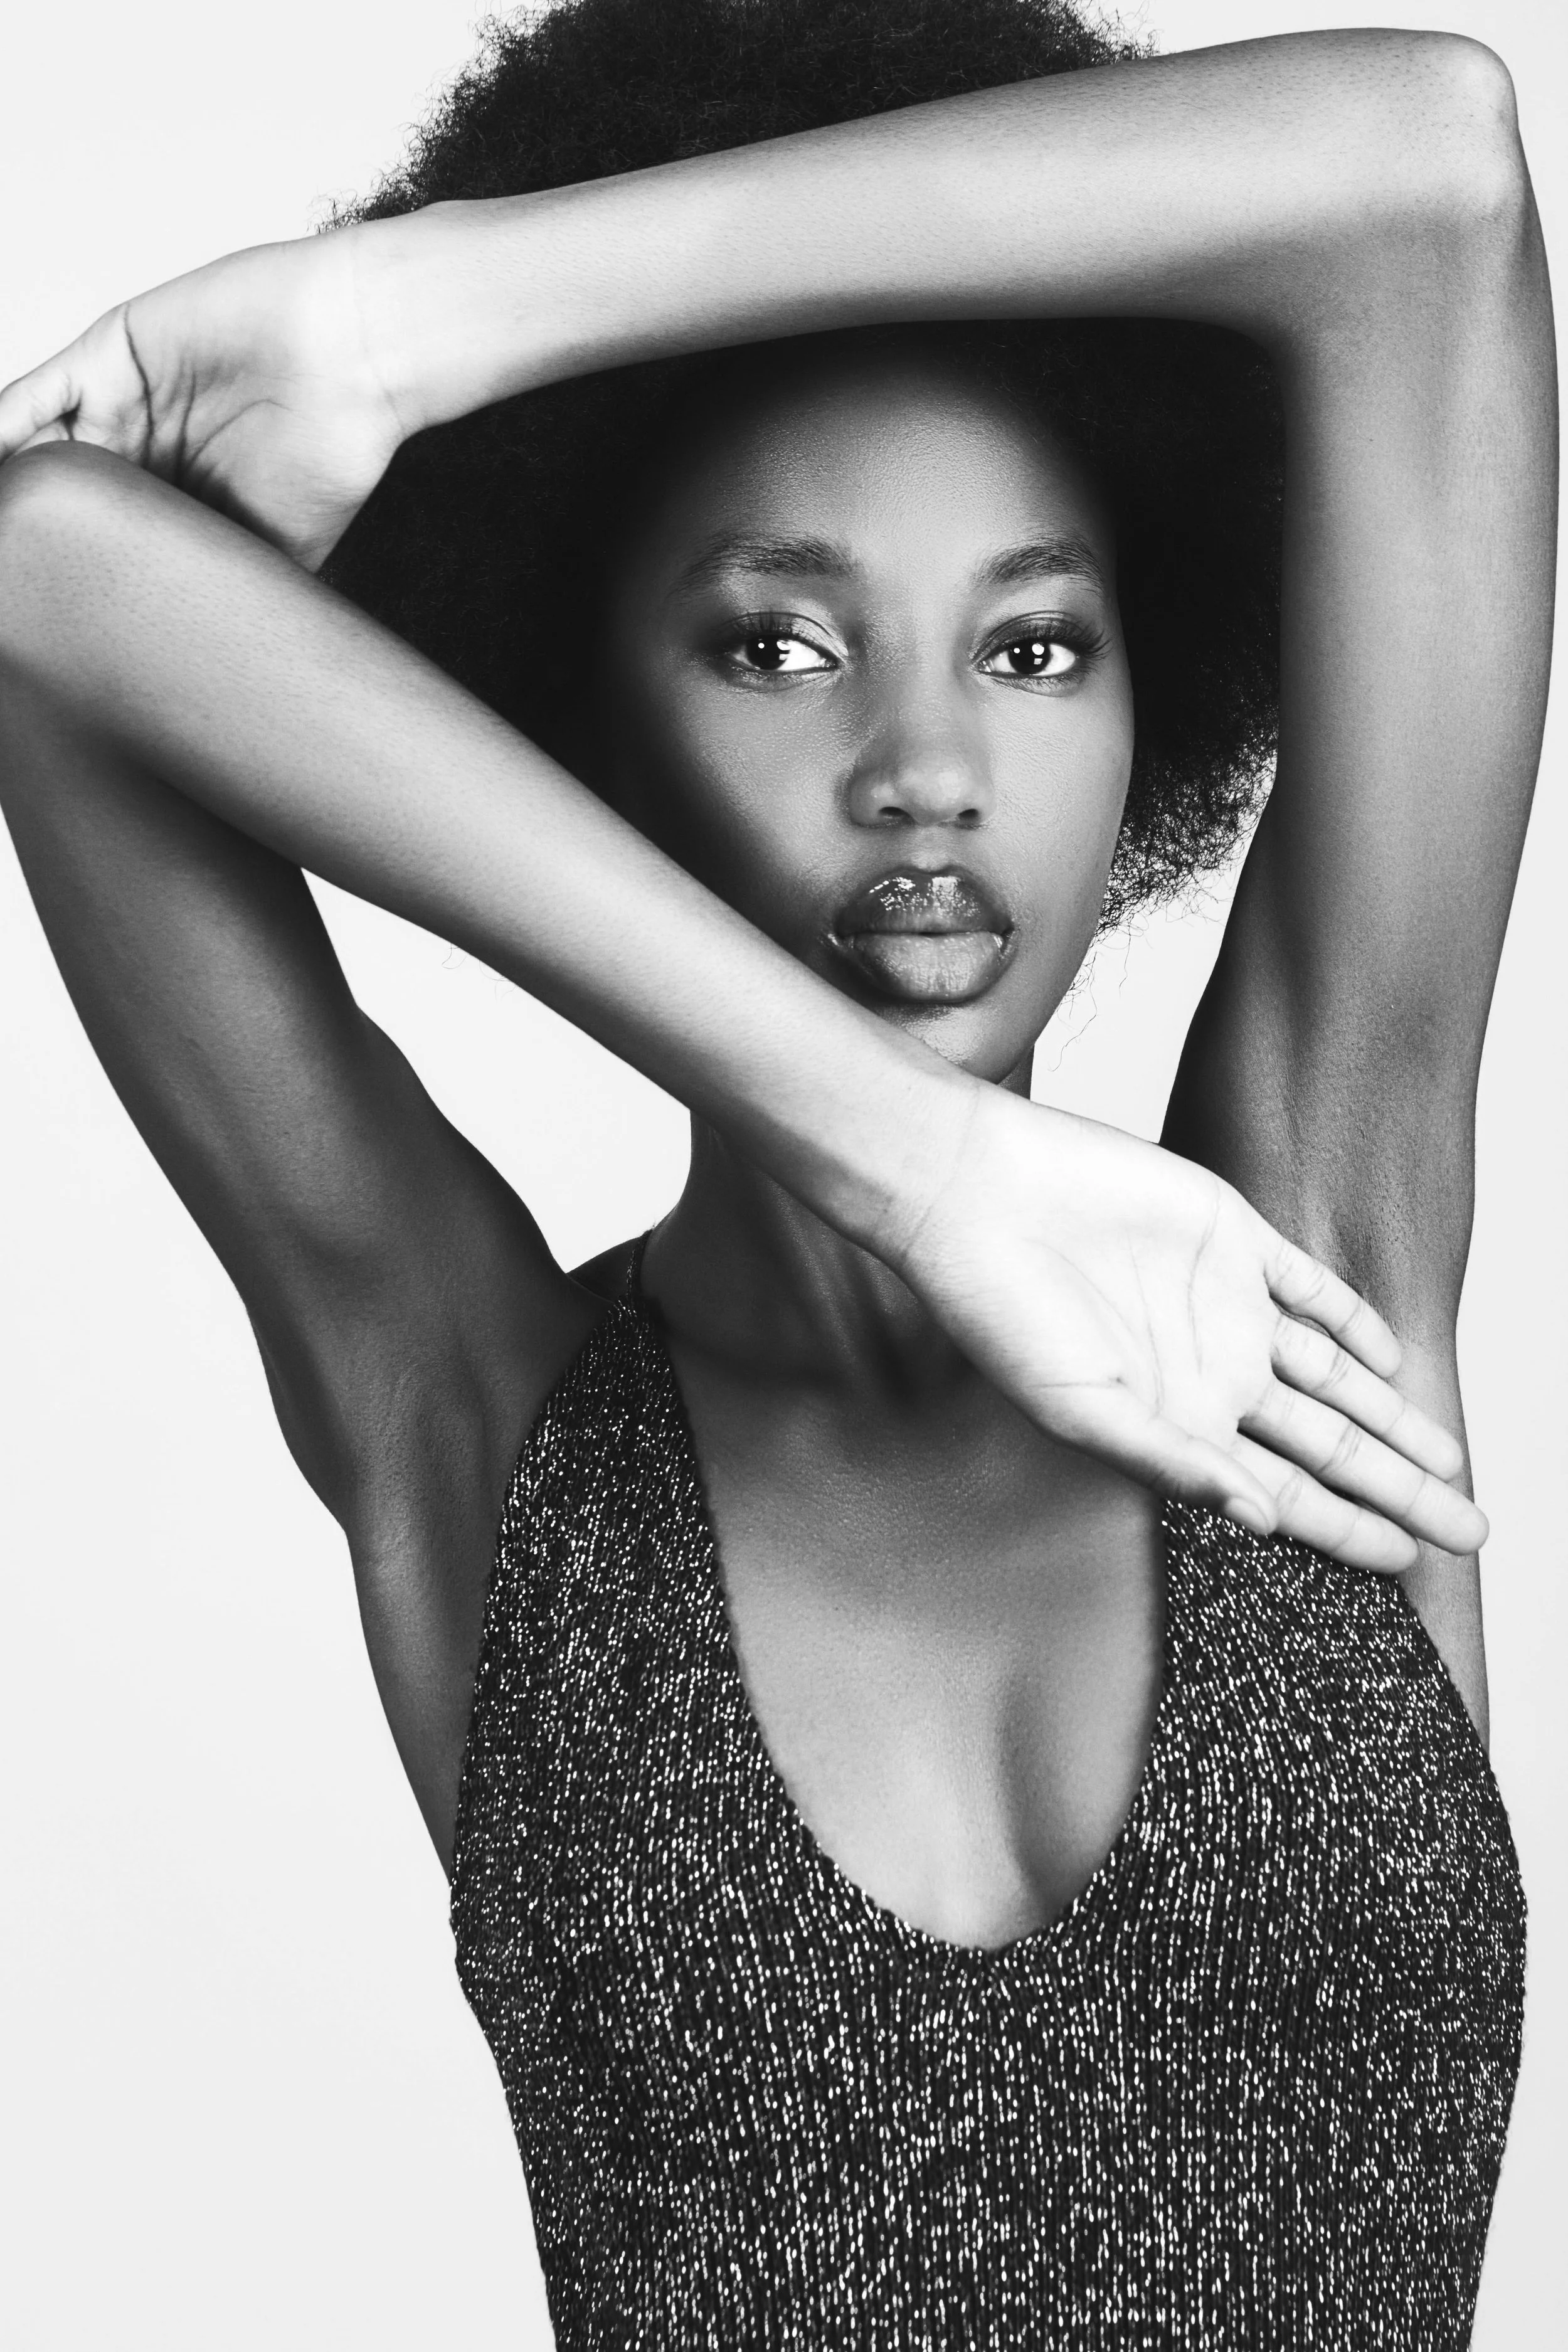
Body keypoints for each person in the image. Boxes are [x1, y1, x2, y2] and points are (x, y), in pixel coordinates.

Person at [0, 0, 1551, 2340]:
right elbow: (37, 575)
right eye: (778, 643)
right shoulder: (490, 1429)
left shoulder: (1303, 1290)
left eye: (1033, 644)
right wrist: (928, 1173)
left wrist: (437, 310)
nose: (924, 764)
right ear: (572, 723)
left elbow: (1420, 176)